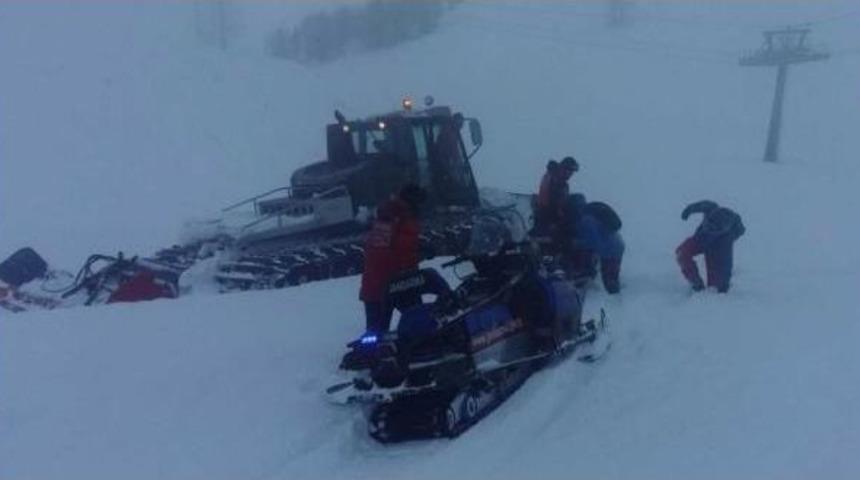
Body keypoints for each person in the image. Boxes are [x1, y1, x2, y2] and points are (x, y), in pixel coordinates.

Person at [359, 183, 426, 333]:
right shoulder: (396, 218)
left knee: (375, 333)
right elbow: (386, 253)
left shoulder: (388, 218)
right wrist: (417, 252)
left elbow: (379, 251)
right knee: (420, 325)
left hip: (380, 286)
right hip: (395, 284)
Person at [676, 200, 745, 293]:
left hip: (717, 250)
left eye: (712, 229)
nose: (708, 229)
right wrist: (689, 210)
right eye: (707, 225)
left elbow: (726, 267)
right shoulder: (711, 208)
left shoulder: (727, 241)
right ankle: (696, 284)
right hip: (700, 240)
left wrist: (723, 286)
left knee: (715, 289)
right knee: (682, 252)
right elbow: (700, 205)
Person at [564, 194, 625, 293]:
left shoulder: (586, 220)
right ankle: (615, 294)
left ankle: (615, 300)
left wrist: (575, 244)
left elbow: (594, 243)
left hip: (611, 250)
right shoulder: (590, 216)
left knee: (610, 284)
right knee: (611, 279)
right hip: (616, 246)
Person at [534, 156, 579, 235]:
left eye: (572, 172)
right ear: (563, 168)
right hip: (548, 219)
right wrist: (557, 221)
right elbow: (548, 202)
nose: (570, 174)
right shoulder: (552, 179)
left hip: (555, 219)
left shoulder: (563, 183)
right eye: (569, 170)